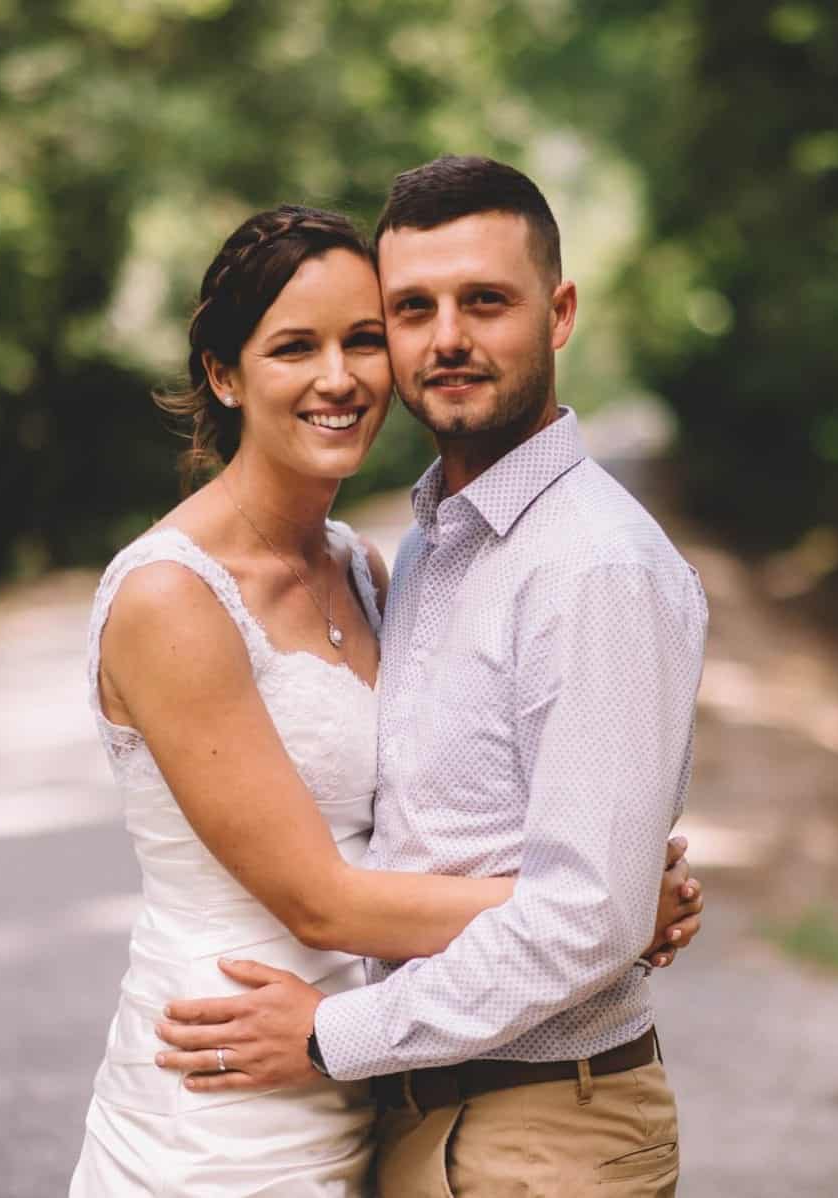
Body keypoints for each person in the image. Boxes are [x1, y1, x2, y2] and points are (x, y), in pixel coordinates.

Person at [70, 203, 702, 1195]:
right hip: (232, 1067)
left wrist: (607, 899)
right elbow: (323, 899)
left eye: (363, 339)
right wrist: (611, 902)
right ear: (224, 375)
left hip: (358, 1076)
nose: (340, 377)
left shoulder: (363, 565)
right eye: (294, 347)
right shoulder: (171, 597)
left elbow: (419, 820)